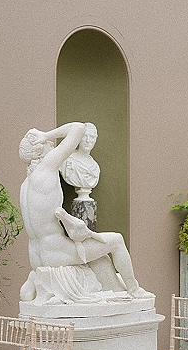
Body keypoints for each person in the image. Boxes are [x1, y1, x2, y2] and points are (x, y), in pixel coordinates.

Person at [18, 122, 150, 303]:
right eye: (51, 144)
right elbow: (78, 128)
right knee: (116, 240)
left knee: (99, 257)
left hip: (37, 256)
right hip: (56, 252)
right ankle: (134, 289)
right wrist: (45, 135)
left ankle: (34, 280)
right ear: (42, 150)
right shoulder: (47, 169)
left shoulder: (26, 184)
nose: (54, 146)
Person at [59, 122, 100, 198]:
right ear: (78, 138)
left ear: (95, 139)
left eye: (91, 137)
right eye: (84, 136)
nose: (88, 140)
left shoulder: (95, 167)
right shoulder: (67, 159)